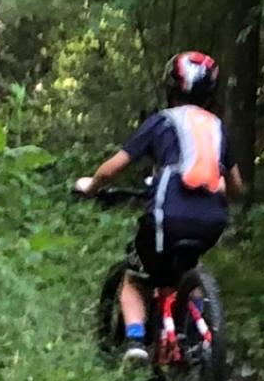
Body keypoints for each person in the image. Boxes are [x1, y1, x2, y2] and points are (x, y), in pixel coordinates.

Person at [75, 51, 244, 363]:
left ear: (170, 87)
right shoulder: (218, 129)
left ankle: (136, 343)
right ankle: (198, 337)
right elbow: (235, 186)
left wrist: (92, 185)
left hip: (169, 215)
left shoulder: (161, 122)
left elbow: (115, 167)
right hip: (211, 219)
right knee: (185, 272)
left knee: (135, 274)